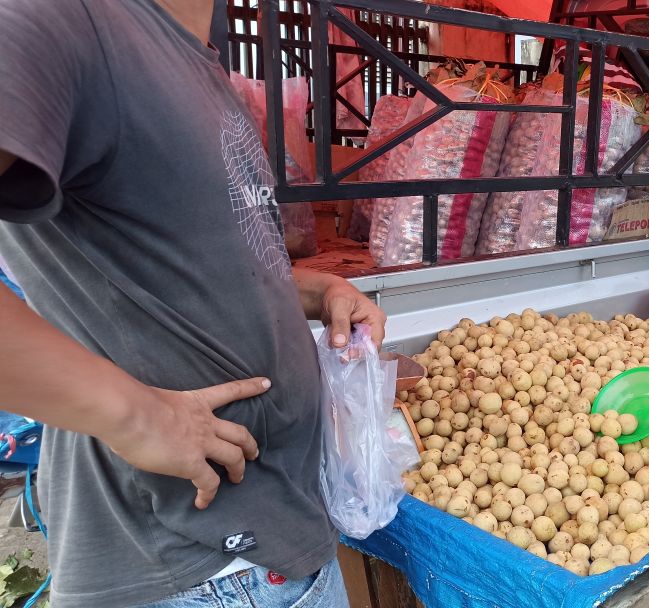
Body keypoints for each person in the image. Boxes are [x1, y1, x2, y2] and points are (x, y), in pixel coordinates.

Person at [0, 1, 385, 605]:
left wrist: (318, 290)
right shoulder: (60, 17)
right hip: (198, 568)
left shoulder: (192, 59)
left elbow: (195, 262)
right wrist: (135, 416)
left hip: (271, 551)